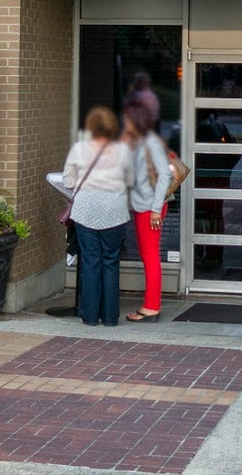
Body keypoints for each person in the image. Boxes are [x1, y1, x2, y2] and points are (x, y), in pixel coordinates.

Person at [62, 106, 133, 327]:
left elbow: (68, 181)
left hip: (86, 211)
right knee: (111, 262)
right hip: (115, 211)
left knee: (91, 262)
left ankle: (90, 316)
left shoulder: (79, 149)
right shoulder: (122, 151)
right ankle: (110, 317)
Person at [122, 99, 169, 324]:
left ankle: (151, 307)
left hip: (150, 208)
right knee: (147, 254)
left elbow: (165, 175)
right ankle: (151, 305)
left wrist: (156, 209)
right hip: (144, 205)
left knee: (150, 255)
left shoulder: (151, 141)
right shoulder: (139, 141)